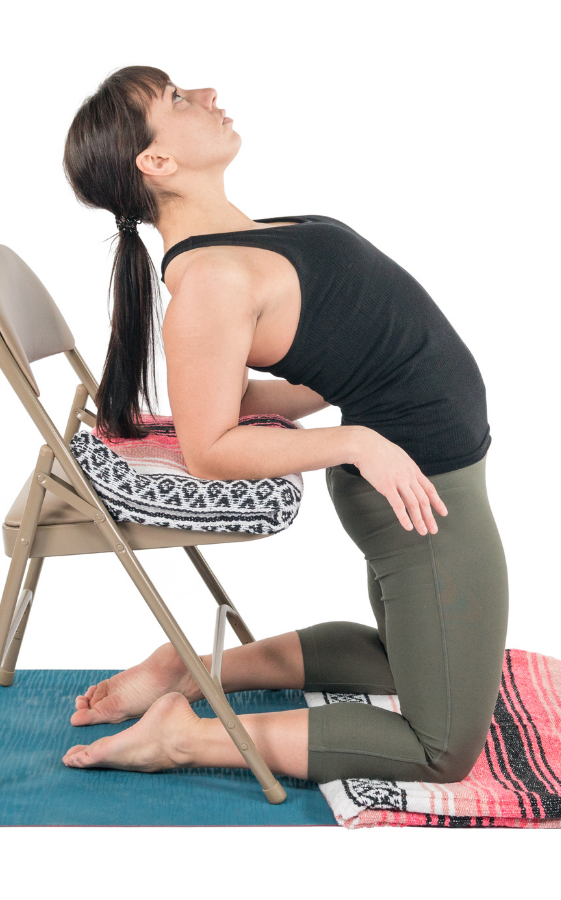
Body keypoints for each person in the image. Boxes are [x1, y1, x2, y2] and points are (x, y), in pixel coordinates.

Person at [59, 66, 507, 784]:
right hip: (418, 491)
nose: (205, 93)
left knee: (401, 662)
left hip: (422, 473)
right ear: (158, 162)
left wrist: (356, 421)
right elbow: (209, 448)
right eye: (177, 99)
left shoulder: (246, 238)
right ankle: (184, 738)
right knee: (443, 746)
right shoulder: (209, 284)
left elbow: (261, 390)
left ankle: (189, 669)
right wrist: (360, 441)